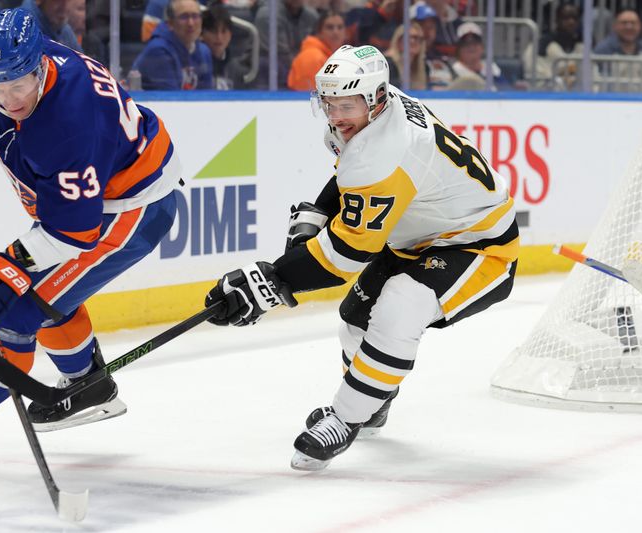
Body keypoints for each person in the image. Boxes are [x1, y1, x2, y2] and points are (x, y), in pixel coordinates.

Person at [0, 7, 181, 471]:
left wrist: (7, 267)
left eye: (18, 85)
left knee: (16, 308)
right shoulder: (2, 65)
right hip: (92, 200)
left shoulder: (68, 124)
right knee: (49, 294)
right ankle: (88, 387)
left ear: (41, 65)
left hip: (127, 210)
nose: (7, 100)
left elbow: (73, 232)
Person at [204, 44, 518, 470]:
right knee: (355, 322)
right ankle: (374, 399)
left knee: (401, 306)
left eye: (345, 105)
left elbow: (348, 254)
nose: (335, 116)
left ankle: (346, 417)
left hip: (479, 245)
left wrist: (271, 281)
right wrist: (319, 212)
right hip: (416, 235)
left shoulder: (388, 146)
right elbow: (352, 173)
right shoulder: (375, 114)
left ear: (375, 99)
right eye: (328, 104)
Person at [132, 0, 214, 90]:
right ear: (170, 23)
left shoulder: (204, 51)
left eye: (195, 16)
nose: (191, 23)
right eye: (184, 17)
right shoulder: (158, 50)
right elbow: (171, 100)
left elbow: (206, 94)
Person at [253, 0, 319, 89]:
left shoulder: (311, 16)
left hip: (300, 69)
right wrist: (305, 65)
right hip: (269, 74)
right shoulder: (268, 15)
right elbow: (280, 55)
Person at [522, 2, 585, 89]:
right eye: (566, 18)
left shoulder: (582, 48)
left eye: (575, 18)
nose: (571, 22)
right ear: (557, 19)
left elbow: (594, 80)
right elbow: (537, 79)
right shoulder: (540, 46)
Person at [287, 10, 345, 91]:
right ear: (319, 32)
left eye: (340, 27)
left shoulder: (329, 56)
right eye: (330, 27)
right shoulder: (312, 57)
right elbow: (309, 96)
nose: (336, 32)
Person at [447, 21, 505, 90]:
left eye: (475, 43)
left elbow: (505, 90)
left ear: (482, 47)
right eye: (466, 44)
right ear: (458, 49)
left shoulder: (491, 68)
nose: (471, 47)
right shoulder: (452, 70)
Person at [201, 2, 246, 90]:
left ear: (230, 34)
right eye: (213, 31)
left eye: (224, 31)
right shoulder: (198, 64)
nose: (219, 37)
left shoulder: (236, 68)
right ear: (201, 33)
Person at [384, 20, 427, 90]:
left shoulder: (423, 66)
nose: (412, 41)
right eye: (408, 37)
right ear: (398, 40)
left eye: (417, 38)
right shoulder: (387, 64)